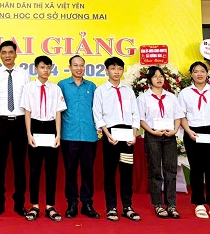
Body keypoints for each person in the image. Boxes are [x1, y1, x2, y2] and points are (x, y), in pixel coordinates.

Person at [179, 61, 210, 220]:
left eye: (202, 71)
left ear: (207, 74)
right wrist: (188, 131)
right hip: (193, 132)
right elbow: (182, 116)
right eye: (195, 71)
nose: (199, 74)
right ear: (191, 74)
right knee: (196, 169)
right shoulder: (185, 93)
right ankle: (199, 203)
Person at [93, 57, 141, 222]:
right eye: (113, 68)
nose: (116, 72)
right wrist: (107, 135)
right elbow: (98, 115)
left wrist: (134, 134)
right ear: (107, 70)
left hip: (127, 135)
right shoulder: (101, 91)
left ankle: (127, 207)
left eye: (119, 68)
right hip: (111, 135)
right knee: (110, 172)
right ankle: (111, 207)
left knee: (126, 172)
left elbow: (135, 114)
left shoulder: (128, 90)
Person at [0, 40, 31, 217]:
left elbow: (28, 100)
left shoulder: (24, 74)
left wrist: (29, 127)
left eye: (10, 52)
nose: (7, 55)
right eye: (4, 52)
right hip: (1, 123)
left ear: (15, 54)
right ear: (0, 54)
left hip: (20, 122)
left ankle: (19, 203)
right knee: (0, 165)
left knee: (20, 165)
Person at [21, 56, 66, 222]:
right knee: (34, 169)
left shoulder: (55, 89)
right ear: (36, 69)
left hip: (50, 128)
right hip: (35, 127)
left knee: (51, 170)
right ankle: (34, 206)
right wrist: (28, 134)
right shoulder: (29, 88)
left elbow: (58, 113)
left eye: (48, 67)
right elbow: (27, 111)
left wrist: (58, 135)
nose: (45, 70)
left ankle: (50, 207)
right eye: (42, 67)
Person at [137, 66, 184, 219]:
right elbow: (141, 119)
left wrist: (175, 130)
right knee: (155, 171)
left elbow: (178, 116)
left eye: (161, 76)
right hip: (153, 136)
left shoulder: (171, 97)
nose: (159, 79)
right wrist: (152, 131)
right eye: (155, 76)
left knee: (171, 171)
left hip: (169, 136)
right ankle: (157, 205)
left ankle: (171, 205)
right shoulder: (143, 98)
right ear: (149, 80)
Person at [57, 55, 100, 219]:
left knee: (88, 172)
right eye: (75, 65)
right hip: (69, 135)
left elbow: (97, 110)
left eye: (81, 65)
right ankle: (72, 203)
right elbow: (57, 111)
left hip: (89, 136)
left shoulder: (92, 86)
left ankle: (87, 203)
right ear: (70, 67)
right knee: (70, 171)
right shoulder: (62, 85)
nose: (79, 68)